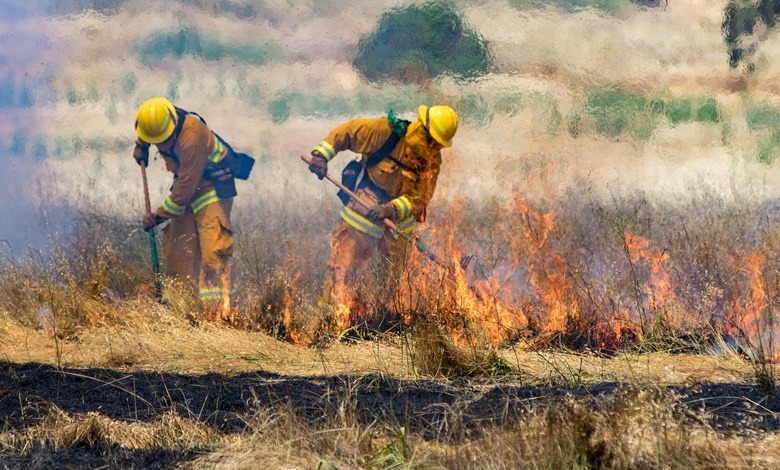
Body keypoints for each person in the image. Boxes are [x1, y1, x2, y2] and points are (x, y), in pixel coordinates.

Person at [307, 104, 458, 333]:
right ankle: (327, 322)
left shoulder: (432, 161)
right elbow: (346, 132)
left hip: (398, 223)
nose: (436, 149)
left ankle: (382, 326)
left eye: (439, 145)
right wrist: (321, 156)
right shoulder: (385, 132)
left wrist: (391, 209)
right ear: (422, 131)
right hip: (365, 207)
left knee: (392, 284)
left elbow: (420, 198)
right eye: (433, 142)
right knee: (343, 269)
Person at [133, 96, 237, 320]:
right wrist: (140, 146)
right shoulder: (154, 120)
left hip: (213, 187)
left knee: (212, 254)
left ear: (172, 126)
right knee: (178, 253)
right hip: (186, 186)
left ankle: (214, 316)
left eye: (163, 140)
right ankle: (179, 313)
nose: (159, 146)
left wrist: (158, 216)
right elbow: (145, 134)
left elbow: (182, 194)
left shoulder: (192, 136)